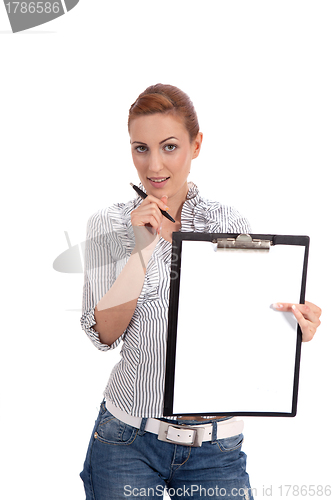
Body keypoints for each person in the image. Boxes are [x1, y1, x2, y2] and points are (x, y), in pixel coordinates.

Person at [79, 84, 322, 500]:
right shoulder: (109, 224)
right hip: (127, 440)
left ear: (196, 145)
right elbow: (104, 334)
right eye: (141, 148)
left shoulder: (226, 219)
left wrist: (293, 329)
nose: (154, 165)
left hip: (216, 448)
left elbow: (240, 323)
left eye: (169, 146)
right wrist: (142, 249)